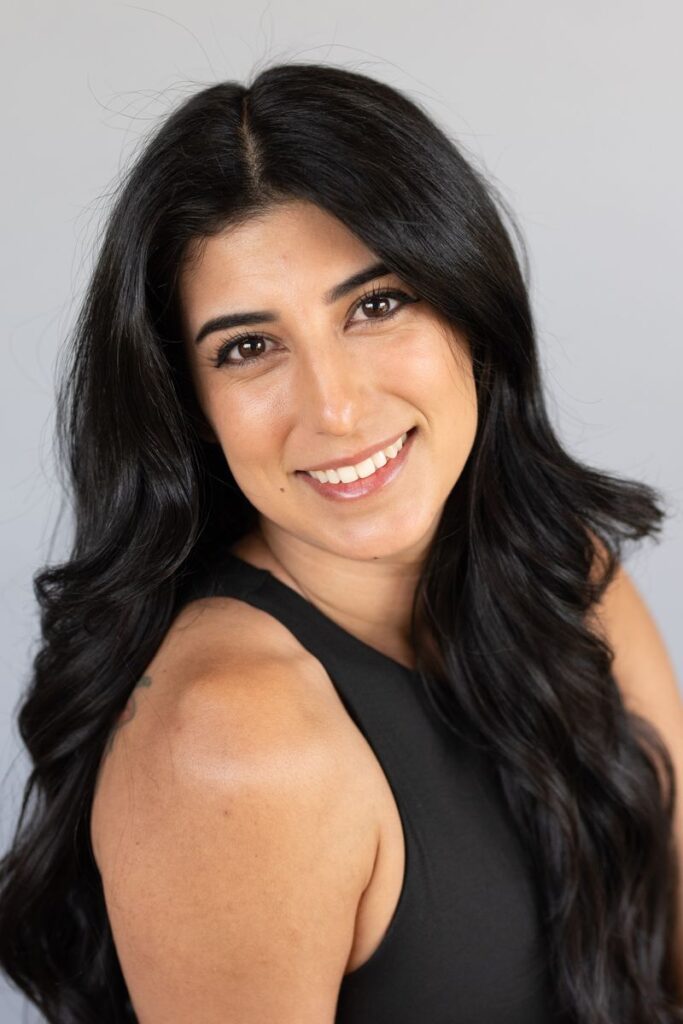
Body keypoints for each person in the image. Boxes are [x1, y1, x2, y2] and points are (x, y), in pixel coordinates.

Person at [0, 61, 681, 1024]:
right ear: (189, 408)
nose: (336, 408)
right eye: (248, 347)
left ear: (471, 311)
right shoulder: (233, 737)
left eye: (375, 304)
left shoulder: (563, 567)